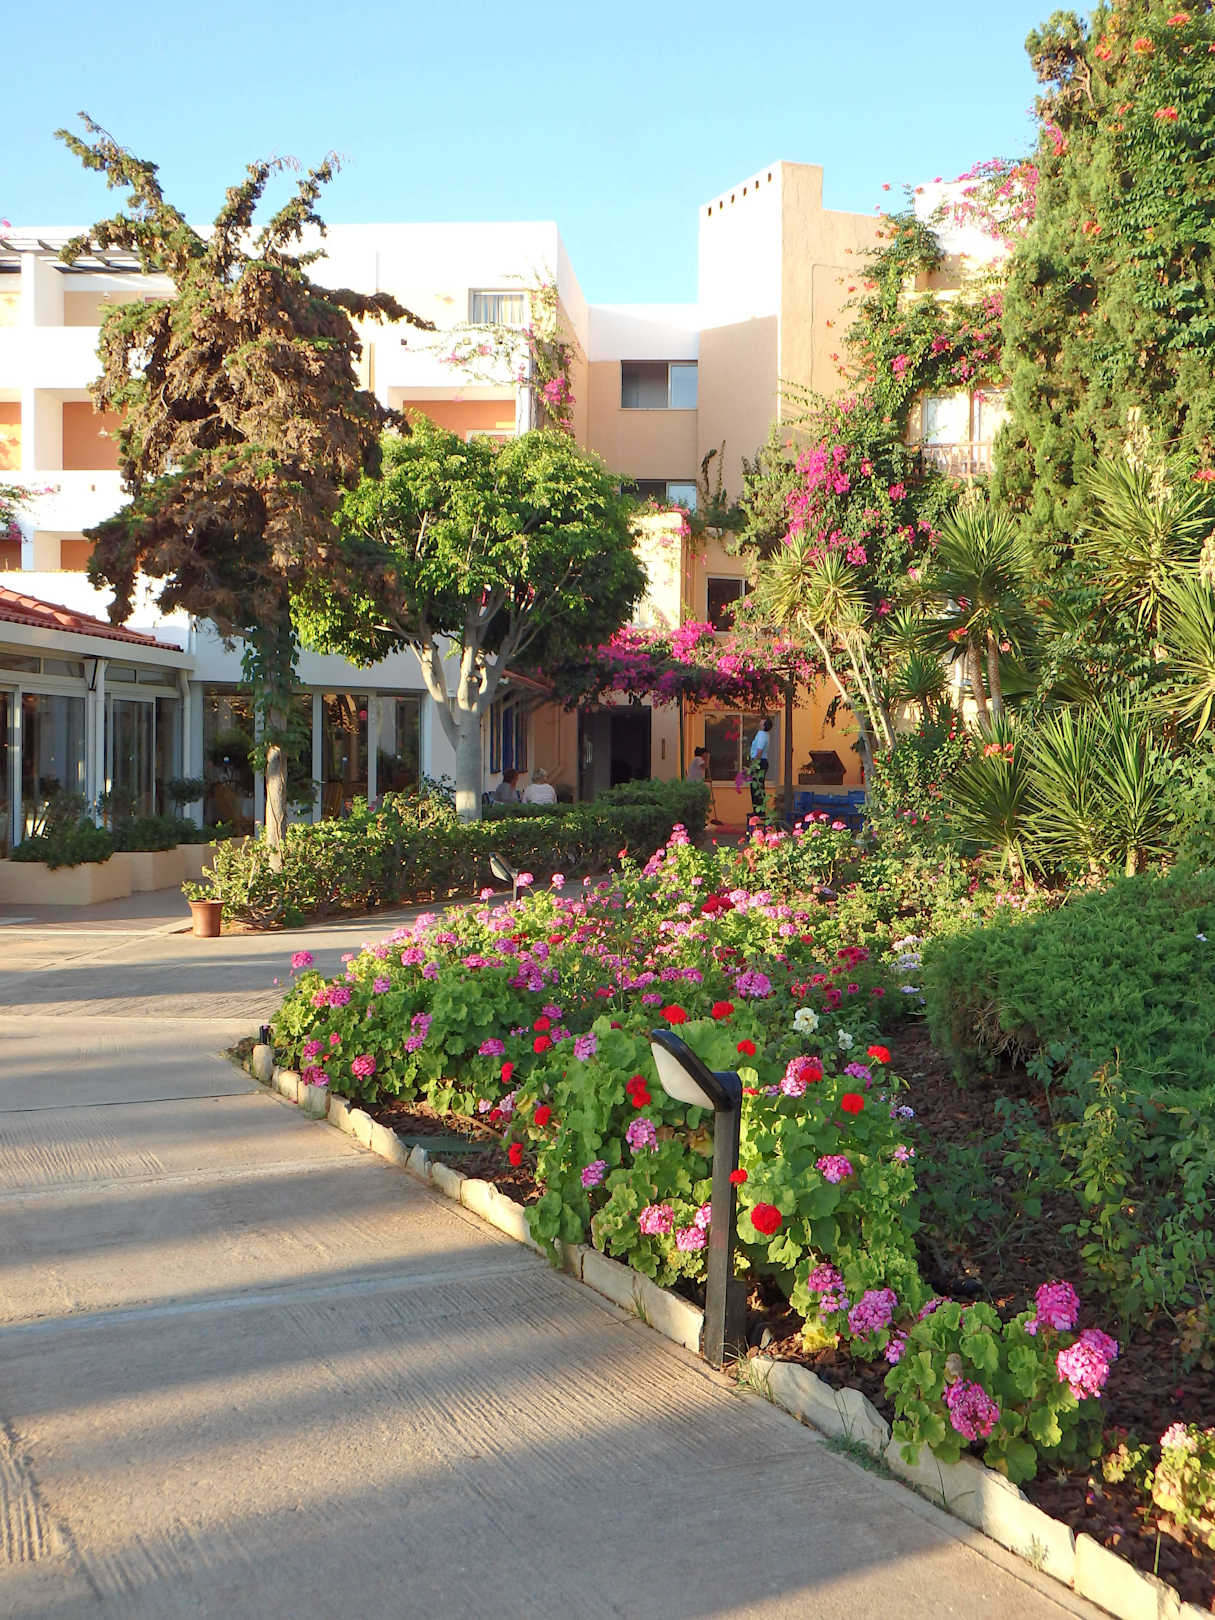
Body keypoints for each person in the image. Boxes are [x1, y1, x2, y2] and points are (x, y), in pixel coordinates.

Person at [748, 717, 771, 816]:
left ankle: (758, 811)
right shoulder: (765, 734)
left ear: (764, 725)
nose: (760, 722)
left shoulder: (762, 734)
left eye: (762, 721)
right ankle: (760, 810)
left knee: (756, 786)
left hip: (759, 762)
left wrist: (754, 763)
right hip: (762, 761)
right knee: (759, 786)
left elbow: (759, 751)